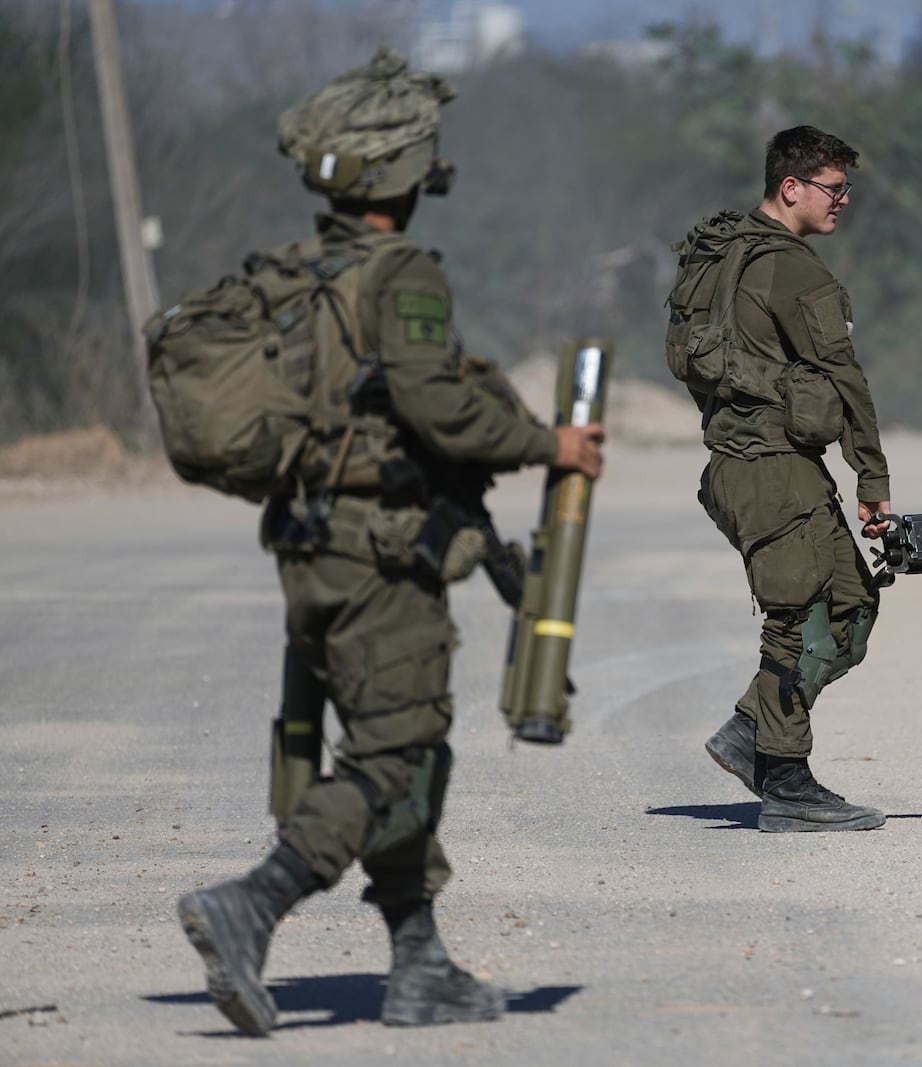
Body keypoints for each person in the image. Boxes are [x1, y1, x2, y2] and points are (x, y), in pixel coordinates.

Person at [175, 48, 605, 1036]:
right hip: (381, 552)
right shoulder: (398, 270)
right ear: (394, 174)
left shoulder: (296, 270)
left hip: (312, 545)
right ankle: (253, 902)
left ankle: (420, 962)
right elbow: (437, 405)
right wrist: (553, 442)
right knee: (394, 747)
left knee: (403, 747)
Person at [691, 126, 892, 832]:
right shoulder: (793, 267)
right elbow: (845, 377)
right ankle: (787, 782)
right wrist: (872, 476)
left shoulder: (717, 253)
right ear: (791, 187)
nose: (843, 202)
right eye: (834, 189)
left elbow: (690, 358)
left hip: (745, 466)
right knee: (795, 622)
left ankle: (751, 732)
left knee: (851, 609)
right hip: (771, 468)